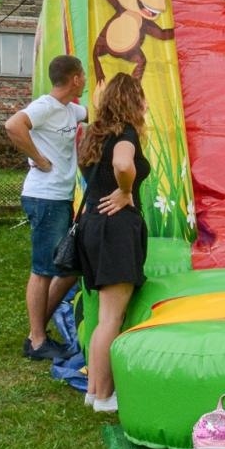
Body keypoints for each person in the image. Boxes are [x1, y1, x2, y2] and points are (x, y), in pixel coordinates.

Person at [73, 74, 151, 414]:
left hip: (91, 226)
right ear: (134, 102)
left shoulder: (95, 136)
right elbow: (122, 163)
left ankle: (94, 390)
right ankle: (105, 397)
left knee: (102, 317)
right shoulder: (125, 134)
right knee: (110, 319)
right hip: (114, 230)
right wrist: (125, 190)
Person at [4, 54, 87, 361]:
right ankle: (37, 340)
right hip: (44, 196)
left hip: (60, 197)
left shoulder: (69, 109)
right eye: (83, 75)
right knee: (43, 269)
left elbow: (95, 114)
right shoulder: (46, 106)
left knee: (68, 266)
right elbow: (13, 125)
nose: (86, 79)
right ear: (75, 79)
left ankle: (36, 329)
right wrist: (38, 159)